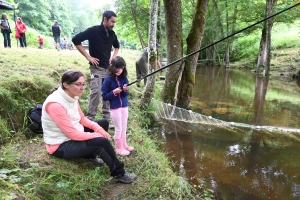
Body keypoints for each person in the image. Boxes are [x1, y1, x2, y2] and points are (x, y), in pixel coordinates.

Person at [41, 69, 137, 183]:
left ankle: (89, 156)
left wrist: (99, 129)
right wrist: (97, 135)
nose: (82, 87)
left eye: (83, 84)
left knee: (103, 123)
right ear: (66, 85)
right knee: (101, 142)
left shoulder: (71, 95)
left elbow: (82, 119)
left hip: (71, 135)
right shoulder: (55, 104)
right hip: (61, 146)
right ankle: (119, 173)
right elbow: (73, 134)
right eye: (78, 84)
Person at [72, 10, 119, 126]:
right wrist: (88, 57)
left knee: (108, 93)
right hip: (96, 68)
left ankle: (106, 120)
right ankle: (90, 119)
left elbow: (117, 46)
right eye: (112, 21)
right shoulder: (93, 31)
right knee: (96, 92)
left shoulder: (112, 34)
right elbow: (76, 40)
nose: (113, 24)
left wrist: (113, 58)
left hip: (108, 69)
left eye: (115, 22)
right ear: (105, 19)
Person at [101, 56, 134, 156]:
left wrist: (125, 90)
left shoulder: (124, 78)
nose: (119, 70)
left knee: (124, 127)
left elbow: (125, 95)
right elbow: (105, 96)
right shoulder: (108, 80)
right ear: (112, 66)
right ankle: (118, 148)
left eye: (122, 68)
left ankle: (124, 145)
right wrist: (114, 92)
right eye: (117, 67)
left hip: (124, 106)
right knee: (118, 127)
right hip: (115, 108)